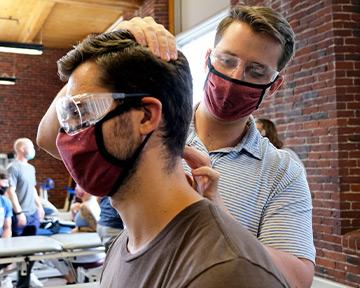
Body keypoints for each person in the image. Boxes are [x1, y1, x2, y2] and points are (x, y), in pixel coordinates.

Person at [38, 30, 289, 287]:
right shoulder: (125, 244)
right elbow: (44, 136)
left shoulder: (227, 271)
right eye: (70, 116)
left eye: (86, 112)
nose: (70, 135)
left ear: (146, 117)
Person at [104, 5, 316, 287]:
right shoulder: (152, 129)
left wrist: (219, 217)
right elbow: (52, 138)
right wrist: (105, 49)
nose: (236, 77)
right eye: (227, 60)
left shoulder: (282, 171)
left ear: (274, 86)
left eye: (255, 71)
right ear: (207, 59)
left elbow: (298, 279)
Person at [6, 138, 45, 288]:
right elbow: (11, 191)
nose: (34, 150)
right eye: (31, 147)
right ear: (22, 149)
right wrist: (19, 212)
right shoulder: (13, 168)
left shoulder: (31, 168)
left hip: (32, 214)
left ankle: (24, 281)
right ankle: (7, 278)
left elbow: (33, 189)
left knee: (30, 252)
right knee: (14, 252)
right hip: (20, 215)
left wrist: (39, 206)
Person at [0, 169, 13, 288]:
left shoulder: (5, 202)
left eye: (5, 185)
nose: (3, 188)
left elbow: (7, 227)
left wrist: (4, 246)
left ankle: (5, 279)